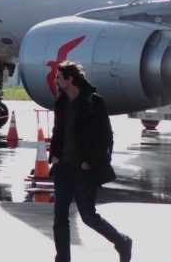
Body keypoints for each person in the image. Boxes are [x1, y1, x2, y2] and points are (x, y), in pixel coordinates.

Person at [50, 61, 132, 262]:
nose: (55, 80)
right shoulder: (61, 102)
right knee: (60, 218)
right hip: (62, 168)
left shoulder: (93, 102)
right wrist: (54, 156)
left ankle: (122, 241)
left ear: (70, 79)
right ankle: (62, 259)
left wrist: (88, 163)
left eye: (58, 77)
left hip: (83, 170)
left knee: (88, 217)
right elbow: (57, 131)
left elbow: (105, 137)